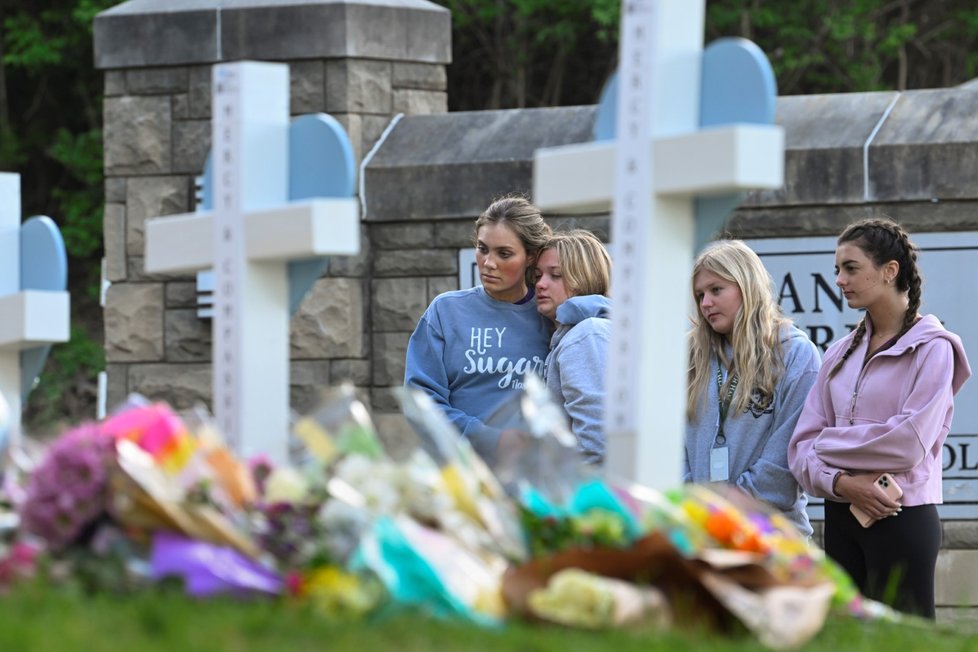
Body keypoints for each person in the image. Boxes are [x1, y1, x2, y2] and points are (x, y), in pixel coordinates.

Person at [788, 217, 971, 618]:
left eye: (851, 268)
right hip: (840, 517)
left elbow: (907, 444)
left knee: (905, 644)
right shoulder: (837, 354)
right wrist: (841, 482)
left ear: (889, 271)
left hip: (900, 517)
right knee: (849, 642)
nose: (839, 279)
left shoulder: (933, 349)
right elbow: (800, 450)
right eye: (837, 269)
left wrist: (828, 445)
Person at [684, 240, 820, 537]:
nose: (705, 303)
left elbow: (785, 462)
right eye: (700, 294)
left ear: (747, 287)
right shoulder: (690, 355)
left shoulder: (795, 354)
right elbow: (672, 445)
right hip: (698, 535)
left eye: (716, 290)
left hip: (772, 538)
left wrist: (723, 511)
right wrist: (691, 507)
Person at [404, 196, 553, 462]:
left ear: (530, 257)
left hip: (533, 477)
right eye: (482, 249)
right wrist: (491, 440)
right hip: (460, 474)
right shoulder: (446, 311)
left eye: (503, 254)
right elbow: (421, 403)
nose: (488, 263)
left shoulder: (551, 315)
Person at [532, 229, 612, 464]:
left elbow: (597, 441)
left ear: (584, 277)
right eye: (537, 275)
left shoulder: (586, 334)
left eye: (555, 275)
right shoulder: (578, 332)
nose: (540, 284)